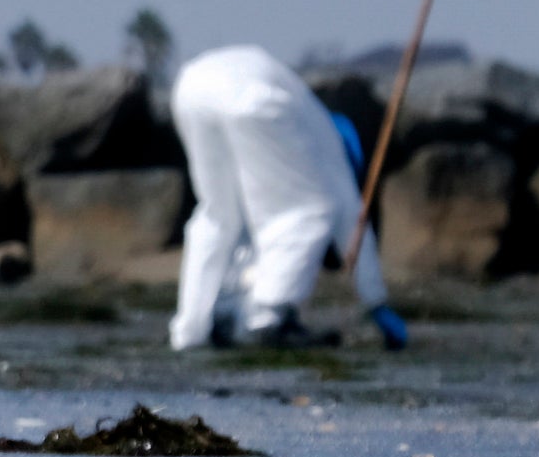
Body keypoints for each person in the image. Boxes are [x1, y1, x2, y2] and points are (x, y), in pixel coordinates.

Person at [169, 45, 407, 351]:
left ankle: (194, 328)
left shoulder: (310, 116)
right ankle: (266, 318)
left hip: (192, 87)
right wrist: (376, 302)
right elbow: (352, 220)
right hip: (254, 98)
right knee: (311, 210)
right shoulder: (331, 148)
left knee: (220, 215)